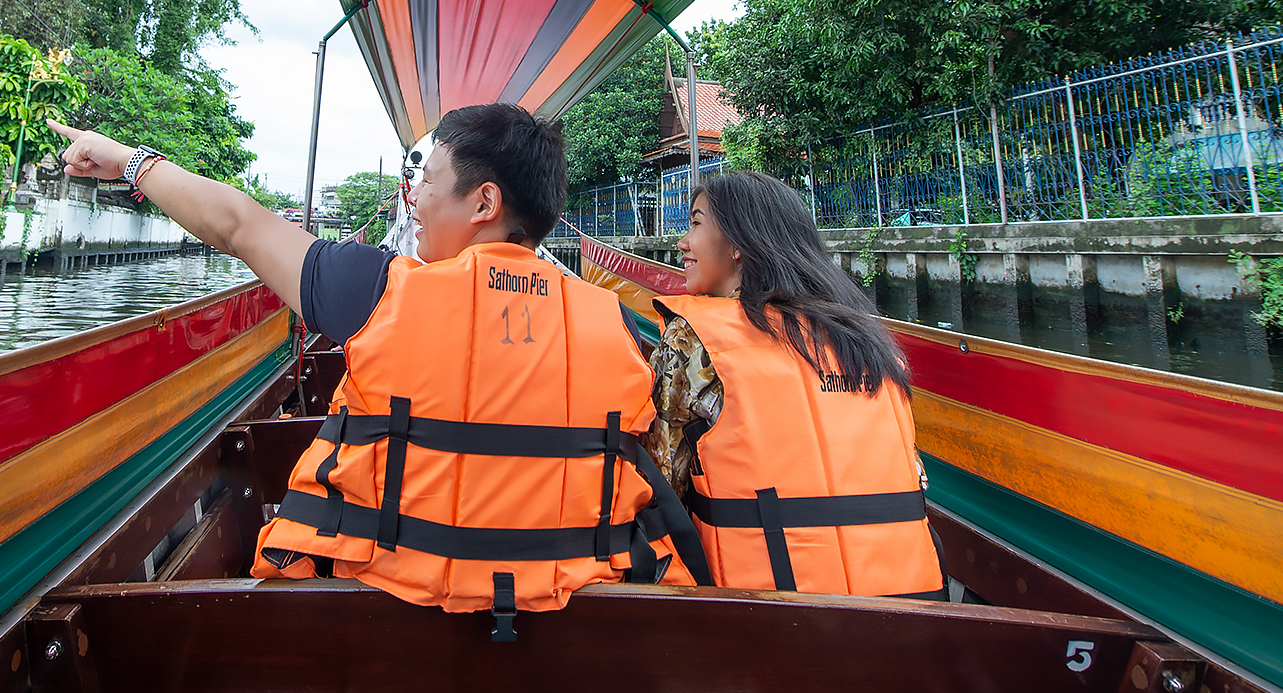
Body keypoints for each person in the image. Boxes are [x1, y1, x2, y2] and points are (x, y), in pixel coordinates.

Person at [50, 105, 705, 618]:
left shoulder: (375, 288)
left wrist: (128, 160)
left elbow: (238, 225)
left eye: (428, 181)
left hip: (370, 634)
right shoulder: (615, 325)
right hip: (576, 649)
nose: (412, 200)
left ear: (483, 202)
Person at [647, 172, 944, 598]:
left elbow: (662, 486)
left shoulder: (693, 339)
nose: (682, 242)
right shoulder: (867, 341)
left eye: (695, 223)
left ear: (737, 244)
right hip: (910, 604)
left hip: (767, 612)